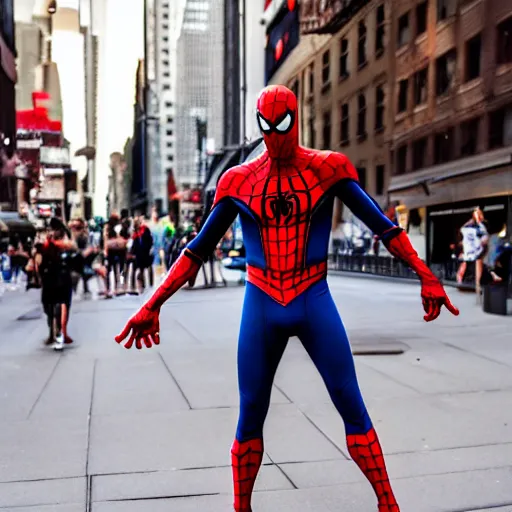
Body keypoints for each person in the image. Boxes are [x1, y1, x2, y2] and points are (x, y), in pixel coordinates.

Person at [115, 85, 459, 512]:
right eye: (266, 126)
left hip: (312, 293)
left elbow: (383, 226)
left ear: (297, 120)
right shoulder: (238, 180)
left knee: (350, 401)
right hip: (262, 299)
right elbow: (197, 248)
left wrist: (427, 277)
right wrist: (153, 303)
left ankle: (388, 505)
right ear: (256, 125)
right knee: (251, 411)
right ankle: (242, 508)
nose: (275, 135)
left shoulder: (328, 168)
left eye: (282, 124)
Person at [37, 218, 77, 349]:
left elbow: (72, 247)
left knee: (60, 306)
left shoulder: (64, 241)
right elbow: (37, 256)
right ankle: (52, 332)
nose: (51, 231)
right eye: (50, 229)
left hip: (62, 277)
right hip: (49, 277)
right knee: (48, 306)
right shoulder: (45, 241)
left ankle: (59, 332)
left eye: (53, 229)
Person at [456, 207, 489, 294]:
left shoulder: (480, 226)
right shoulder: (468, 226)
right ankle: (460, 282)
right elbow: (461, 235)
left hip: (476, 249)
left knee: (477, 264)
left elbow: (484, 238)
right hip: (469, 249)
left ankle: (477, 285)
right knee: (465, 265)